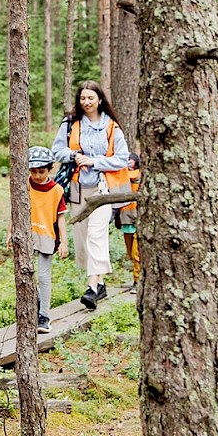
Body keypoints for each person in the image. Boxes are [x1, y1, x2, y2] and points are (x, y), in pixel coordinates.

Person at [51, 80, 131, 310]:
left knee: (96, 234)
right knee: (83, 238)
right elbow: (57, 150)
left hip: (103, 189)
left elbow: (122, 158)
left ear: (100, 100)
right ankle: (101, 283)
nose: (86, 102)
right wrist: (74, 156)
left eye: (90, 98)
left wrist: (95, 161)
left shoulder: (112, 127)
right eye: (82, 98)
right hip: (78, 189)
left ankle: (92, 288)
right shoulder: (71, 124)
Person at [6, 147, 69, 333]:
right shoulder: (24, 184)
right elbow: (15, 209)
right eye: (33, 171)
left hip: (47, 235)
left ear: (50, 170)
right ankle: (33, 306)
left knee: (43, 276)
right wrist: (10, 231)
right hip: (26, 232)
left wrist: (64, 242)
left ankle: (44, 316)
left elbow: (61, 218)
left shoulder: (57, 190)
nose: (37, 175)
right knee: (25, 274)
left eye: (41, 171)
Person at [113, 152, 142, 293]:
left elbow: (132, 176)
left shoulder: (137, 175)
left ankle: (138, 281)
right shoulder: (121, 176)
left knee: (137, 253)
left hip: (137, 217)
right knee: (130, 252)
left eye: (131, 162)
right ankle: (136, 278)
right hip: (125, 218)